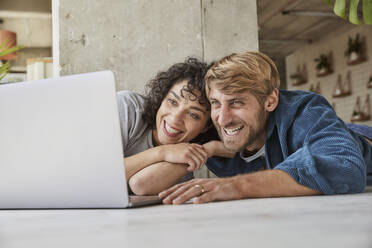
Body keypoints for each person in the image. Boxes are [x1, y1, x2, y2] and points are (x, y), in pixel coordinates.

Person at [159, 51, 372, 204]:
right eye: (216, 103)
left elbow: (345, 167)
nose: (223, 119)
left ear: (270, 101)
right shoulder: (211, 130)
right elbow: (142, 184)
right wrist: (208, 150)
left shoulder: (304, 111)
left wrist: (236, 186)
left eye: (236, 103)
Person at [117, 58, 233, 195]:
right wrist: (162, 152)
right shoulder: (129, 107)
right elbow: (94, 173)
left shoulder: (182, 166)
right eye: (172, 101)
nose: (175, 118)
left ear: (206, 126)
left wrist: (210, 148)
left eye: (193, 115)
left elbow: (140, 185)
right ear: (161, 97)